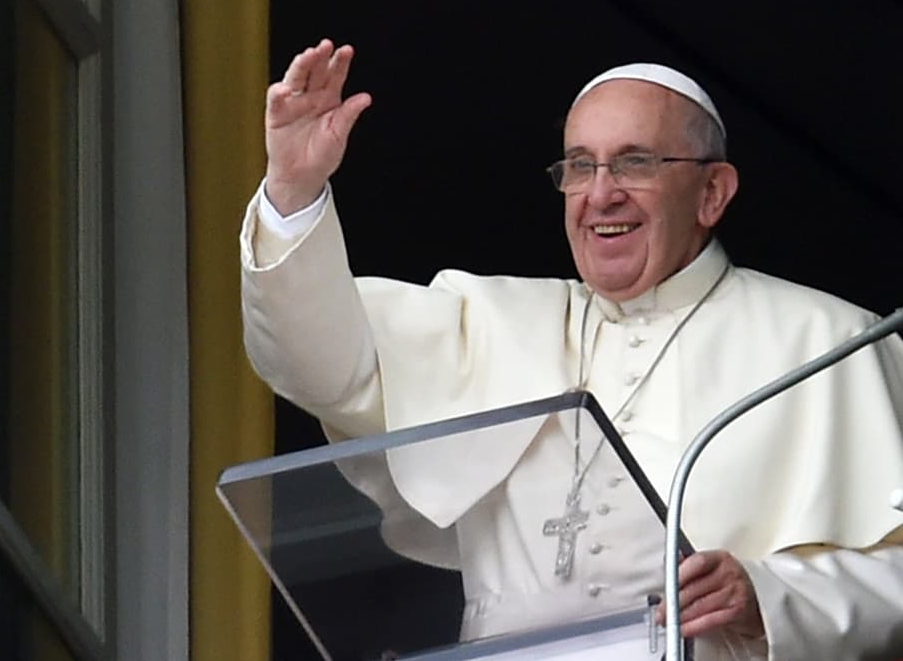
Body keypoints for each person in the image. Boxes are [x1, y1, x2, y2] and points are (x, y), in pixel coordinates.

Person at [240, 39, 903, 659]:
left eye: (635, 161)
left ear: (712, 192)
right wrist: (293, 192)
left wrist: (771, 596)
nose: (600, 192)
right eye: (579, 165)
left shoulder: (826, 341)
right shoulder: (490, 321)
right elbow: (320, 362)